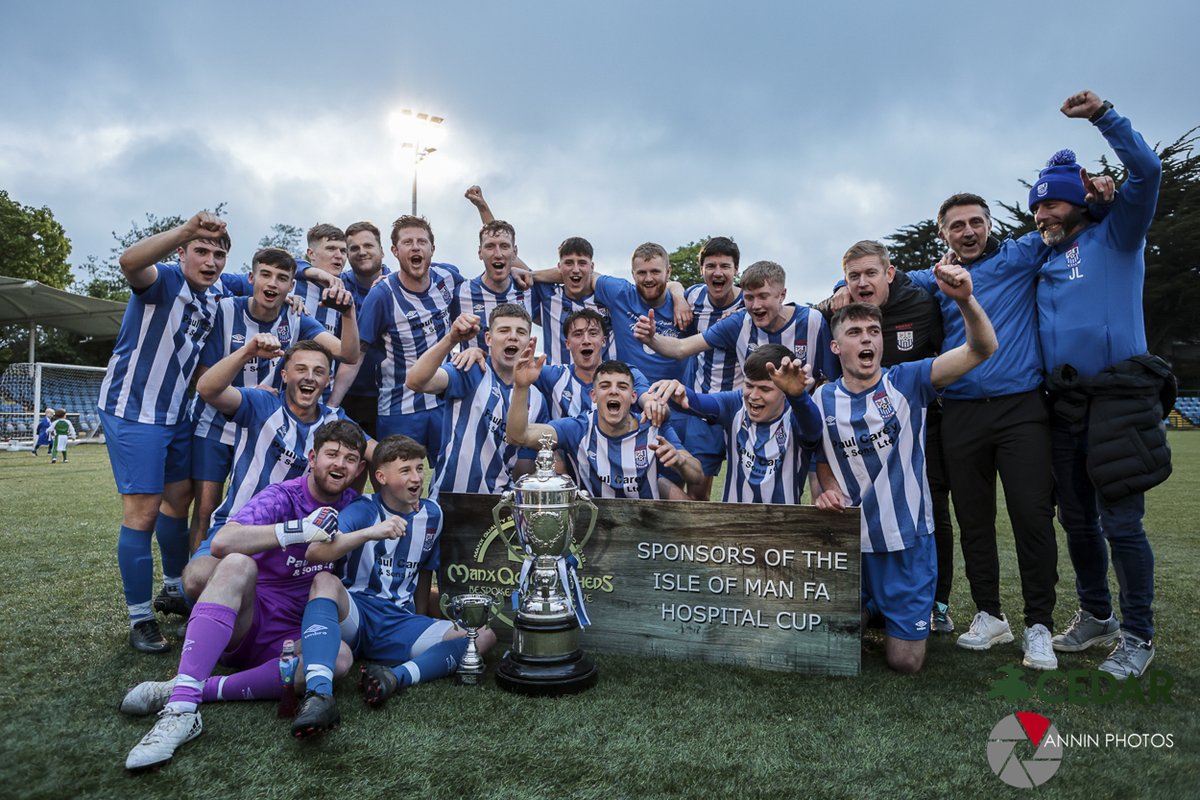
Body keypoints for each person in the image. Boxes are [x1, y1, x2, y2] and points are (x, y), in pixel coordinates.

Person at [120, 420, 366, 770]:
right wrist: (297, 531)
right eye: (332, 454)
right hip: (249, 622)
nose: (339, 464)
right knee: (236, 564)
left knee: (338, 659)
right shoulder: (282, 495)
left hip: (294, 634)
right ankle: (180, 711)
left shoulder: (356, 507)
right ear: (312, 457)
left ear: (359, 468)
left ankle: (191, 688)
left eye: (350, 458)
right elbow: (223, 541)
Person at [1035, 90, 1170, 680]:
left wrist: (1103, 118)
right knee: (1079, 521)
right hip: (1063, 407)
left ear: (1077, 205)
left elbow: (1148, 170)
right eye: (1036, 211)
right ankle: (1097, 615)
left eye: (1050, 209)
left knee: (1122, 523)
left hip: (1119, 400)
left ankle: (1138, 636)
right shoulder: (1042, 257)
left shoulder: (1118, 236)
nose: (1040, 218)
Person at [812, 260, 997, 674]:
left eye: (874, 332)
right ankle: (871, 608)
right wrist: (824, 485)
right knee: (830, 646)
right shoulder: (819, 399)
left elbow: (982, 349)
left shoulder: (908, 380)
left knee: (905, 663)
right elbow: (817, 455)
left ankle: (894, 612)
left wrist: (966, 301)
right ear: (836, 346)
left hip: (907, 542)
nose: (867, 339)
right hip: (849, 546)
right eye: (855, 332)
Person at [97, 210, 230, 654]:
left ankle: (174, 587)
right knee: (143, 513)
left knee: (178, 504)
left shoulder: (215, 295)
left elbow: (272, 277)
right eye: (201, 251)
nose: (209, 261)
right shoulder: (165, 280)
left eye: (218, 254)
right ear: (183, 252)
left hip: (177, 414)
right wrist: (187, 227)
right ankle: (139, 618)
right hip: (134, 411)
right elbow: (130, 262)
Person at [297, 434, 497, 713]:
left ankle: (393, 677)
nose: (416, 478)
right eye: (405, 470)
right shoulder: (363, 509)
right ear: (381, 476)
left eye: (419, 468)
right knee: (324, 581)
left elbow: (425, 572)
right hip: (357, 616)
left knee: (483, 635)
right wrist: (370, 533)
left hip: (400, 622)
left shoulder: (433, 515)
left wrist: (423, 617)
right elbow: (315, 551)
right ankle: (318, 696)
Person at [815, 240, 956, 634]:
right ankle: (873, 600)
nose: (862, 282)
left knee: (930, 506)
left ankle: (936, 603)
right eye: (853, 275)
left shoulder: (920, 301)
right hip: (857, 414)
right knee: (858, 491)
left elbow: (938, 289)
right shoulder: (836, 307)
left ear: (889, 274)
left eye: (870, 273)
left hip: (917, 412)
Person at [186, 247, 355, 559]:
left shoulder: (295, 318)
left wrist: (349, 313)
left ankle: (262, 574)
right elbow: (205, 377)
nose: (273, 283)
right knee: (206, 507)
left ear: (291, 286)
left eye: (282, 278)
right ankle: (195, 582)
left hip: (263, 426)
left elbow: (347, 353)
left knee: (261, 501)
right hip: (216, 423)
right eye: (265, 274)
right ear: (251, 278)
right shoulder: (226, 310)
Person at [183, 338, 360, 603]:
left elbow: (375, 453)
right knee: (198, 578)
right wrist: (247, 352)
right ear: (285, 375)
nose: (309, 377)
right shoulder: (261, 403)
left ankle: (249, 609)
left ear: (328, 380)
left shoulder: (336, 420)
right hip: (239, 527)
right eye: (301, 369)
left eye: (319, 371)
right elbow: (207, 388)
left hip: (300, 539)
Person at [335, 215, 466, 456]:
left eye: (421, 241)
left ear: (432, 248)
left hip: (444, 403)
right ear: (395, 251)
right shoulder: (382, 295)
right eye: (407, 242)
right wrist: (332, 406)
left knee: (449, 482)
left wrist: (521, 274)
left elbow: (478, 298)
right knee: (396, 483)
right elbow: (356, 356)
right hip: (399, 407)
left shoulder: (448, 279)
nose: (415, 247)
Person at [647, 344, 823, 504]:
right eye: (749, 385)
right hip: (732, 524)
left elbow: (813, 427)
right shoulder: (736, 404)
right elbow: (698, 403)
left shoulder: (796, 416)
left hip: (782, 529)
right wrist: (679, 392)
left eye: (765, 389)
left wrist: (798, 397)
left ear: (785, 392)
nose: (753, 395)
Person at [508, 356, 701, 500]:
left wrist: (679, 461)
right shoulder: (578, 429)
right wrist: (521, 387)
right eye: (605, 386)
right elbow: (519, 436)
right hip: (594, 529)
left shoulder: (652, 426)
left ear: (633, 397)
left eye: (622, 387)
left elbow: (698, 475)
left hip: (646, 532)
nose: (614, 391)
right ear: (593, 395)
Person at [406, 304, 548, 496]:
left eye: (521, 332)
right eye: (504, 330)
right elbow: (415, 381)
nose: (513, 336)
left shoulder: (537, 400)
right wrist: (451, 339)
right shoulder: (471, 369)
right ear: (488, 338)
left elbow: (523, 465)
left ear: (529, 341)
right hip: (449, 496)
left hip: (499, 501)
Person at [678, 236, 745, 500]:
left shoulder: (749, 303)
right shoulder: (693, 296)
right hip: (703, 406)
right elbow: (672, 285)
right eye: (711, 266)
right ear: (702, 269)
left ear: (735, 270)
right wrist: (677, 297)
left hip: (744, 407)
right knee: (697, 489)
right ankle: (697, 541)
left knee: (746, 489)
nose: (718, 273)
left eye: (725, 266)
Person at [535, 309, 651, 420]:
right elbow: (518, 381)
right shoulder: (552, 376)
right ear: (567, 343)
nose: (586, 340)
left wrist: (650, 403)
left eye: (593, 333)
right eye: (578, 334)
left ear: (603, 341)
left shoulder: (627, 374)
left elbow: (646, 397)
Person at [336, 220, 393, 438]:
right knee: (350, 466)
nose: (362, 252)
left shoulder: (398, 285)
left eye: (368, 246)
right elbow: (297, 266)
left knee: (386, 466)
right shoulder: (337, 283)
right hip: (347, 391)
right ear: (347, 255)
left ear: (382, 251)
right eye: (354, 248)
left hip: (389, 395)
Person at [456, 220, 535, 351]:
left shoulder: (528, 288)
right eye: (490, 246)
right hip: (475, 371)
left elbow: (567, 275)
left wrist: (534, 274)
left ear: (514, 252)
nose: (498, 254)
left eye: (504, 246)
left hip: (518, 371)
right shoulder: (460, 293)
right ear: (480, 252)